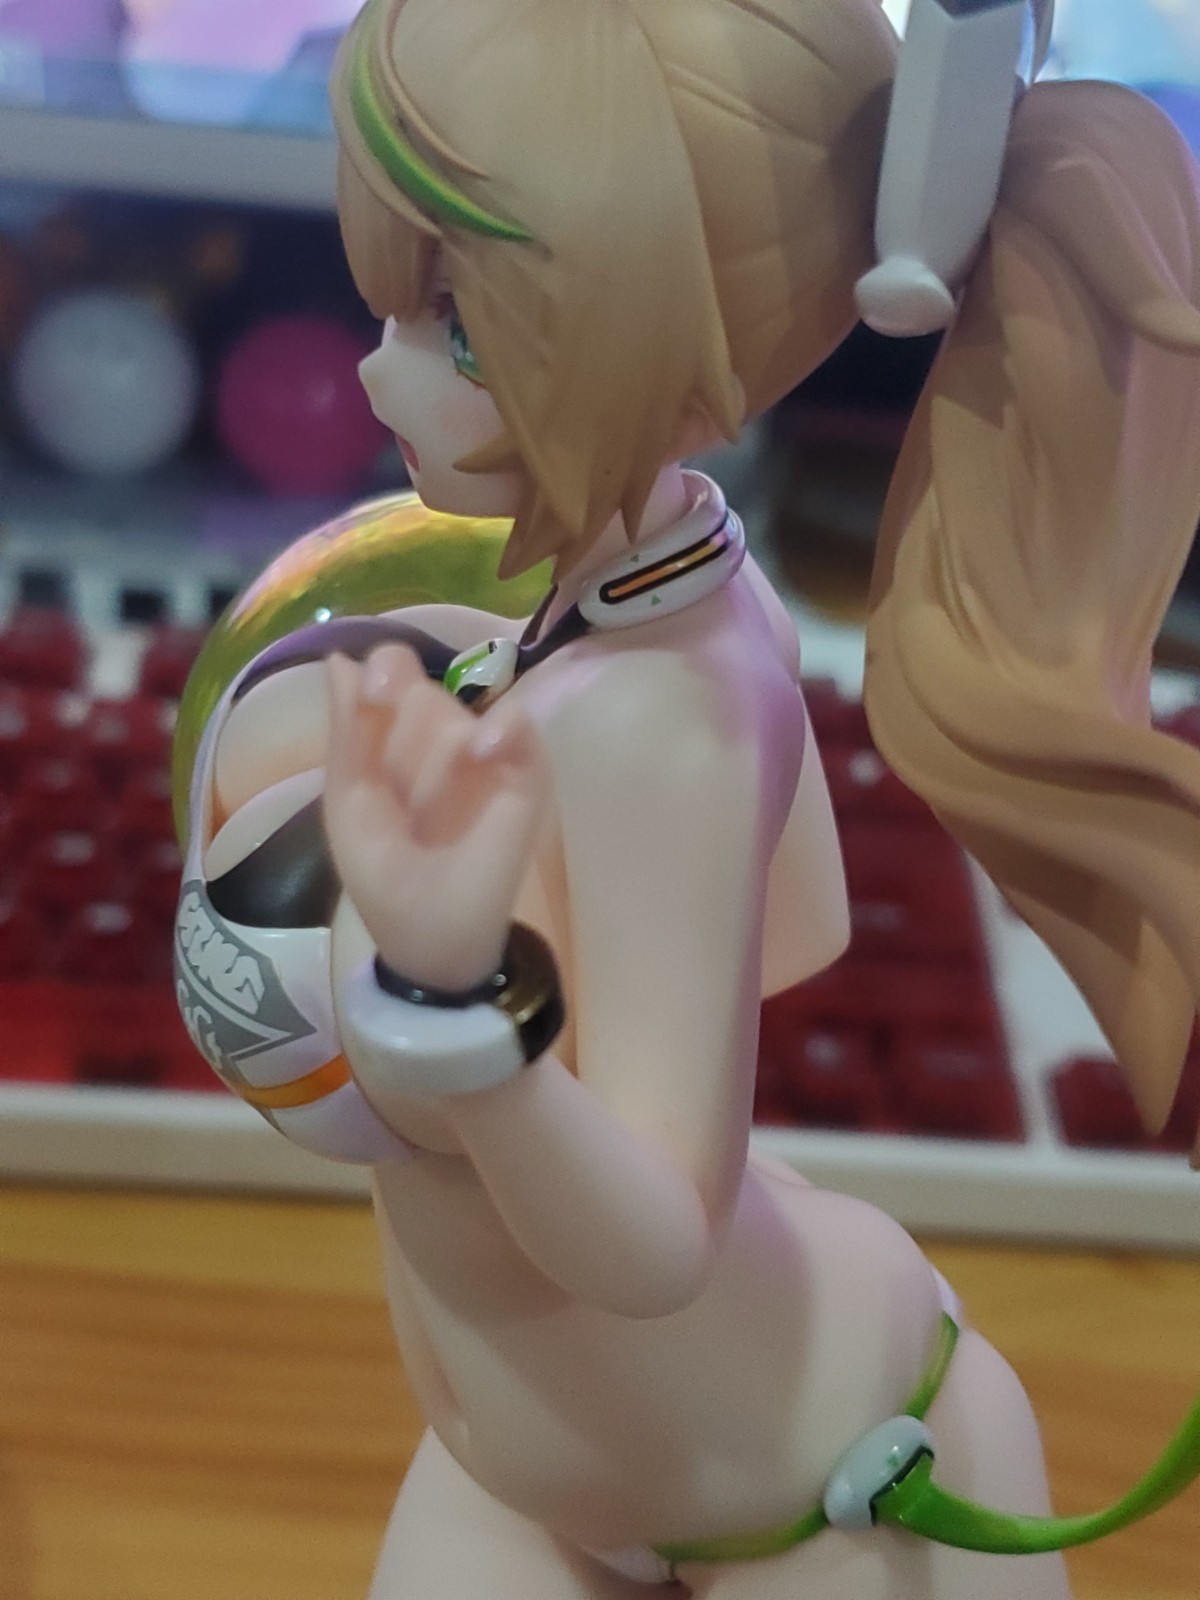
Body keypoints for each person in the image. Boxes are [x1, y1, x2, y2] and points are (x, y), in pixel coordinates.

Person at [176, 0, 1200, 1593]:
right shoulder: (683, 589)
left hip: (810, 1497)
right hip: (535, 1480)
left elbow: (659, 1243)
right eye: (390, 298)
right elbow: (800, 931)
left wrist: (464, 1011)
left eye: (457, 325)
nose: (378, 367)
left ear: (679, 345)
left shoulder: (657, 715)